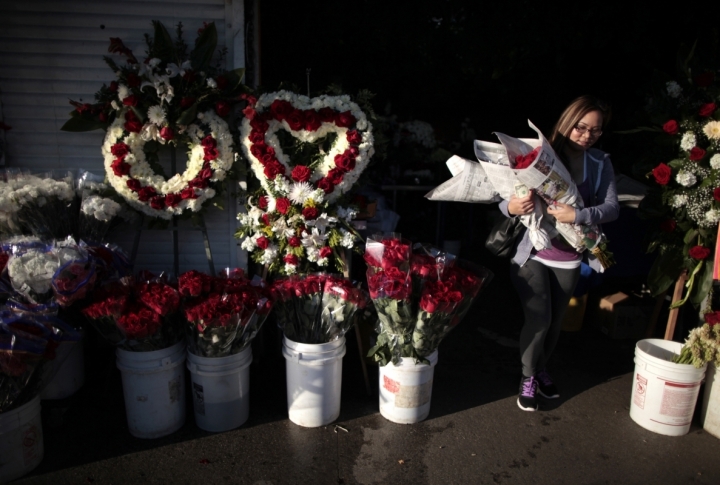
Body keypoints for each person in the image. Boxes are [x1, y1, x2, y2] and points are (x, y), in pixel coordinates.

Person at [498, 95, 620, 411]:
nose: (586, 135)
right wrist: (511, 207)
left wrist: (578, 215)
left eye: (595, 130)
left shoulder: (599, 162)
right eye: (580, 127)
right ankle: (527, 377)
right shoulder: (538, 156)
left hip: (570, 256)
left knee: (554, 325)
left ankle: (539, 370)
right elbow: (501, 195)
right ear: (567, 123)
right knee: (539, 319)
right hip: (533, 253)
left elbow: (611, 208)